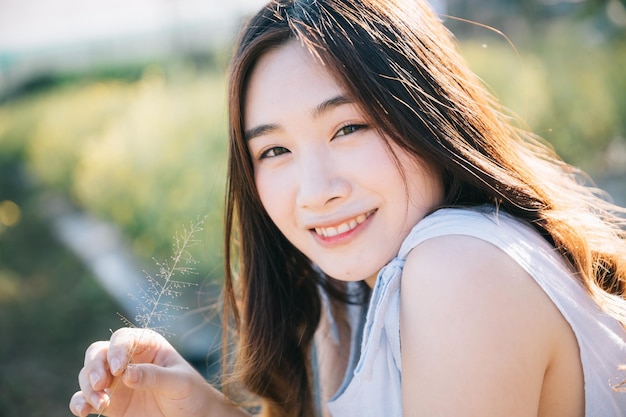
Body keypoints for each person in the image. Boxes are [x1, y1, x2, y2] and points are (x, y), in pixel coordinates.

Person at [69, 0, 626, 416]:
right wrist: (202, 409)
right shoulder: (346, 286)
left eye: (349, 127)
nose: (316, 191)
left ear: (428, 114)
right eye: (275, 150)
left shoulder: (459, 267)